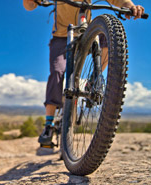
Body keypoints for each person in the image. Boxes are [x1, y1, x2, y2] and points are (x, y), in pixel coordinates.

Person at [23, 0, 145, 145]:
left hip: (85, 33)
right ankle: (48, 124)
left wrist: (130, 6)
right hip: (61, 37)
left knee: (106, 37)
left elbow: (117, 0)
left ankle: (92, 82)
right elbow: (29, 6)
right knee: (57, 72)